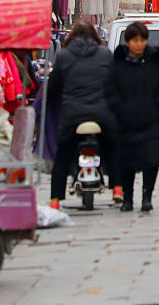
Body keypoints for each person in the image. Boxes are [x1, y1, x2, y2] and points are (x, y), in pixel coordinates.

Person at [47, 19, 121, 209]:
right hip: (102, 114)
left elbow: (53, 87)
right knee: (112, 148)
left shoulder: (63, 56)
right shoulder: (105, 54)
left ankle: (55, 199)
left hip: (73, 114)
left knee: (63, 154)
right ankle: (118, 188)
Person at [111, 22, 159, 212]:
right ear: (128, 41)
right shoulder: (118, 65)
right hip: (125, 120)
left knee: (152, 159)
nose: (138, 44)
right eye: (134, 40)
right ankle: (128, 198)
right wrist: (118, 107)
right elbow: (110, 89)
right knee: (126, 161)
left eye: (141, 40)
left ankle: (147, 195)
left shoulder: (157, 62)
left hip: (152, 119)